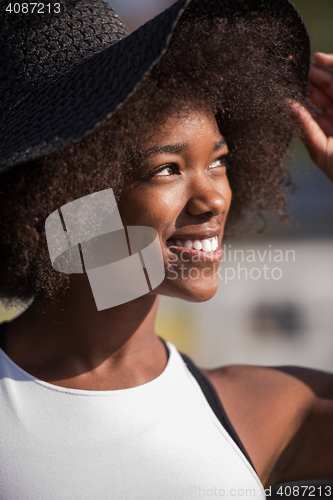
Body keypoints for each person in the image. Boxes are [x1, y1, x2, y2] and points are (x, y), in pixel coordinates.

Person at [0, 1, 332, 498]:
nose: (214, 198)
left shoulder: (265, 409)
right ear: (71, 199)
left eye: (218, 162)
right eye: (168, 169)